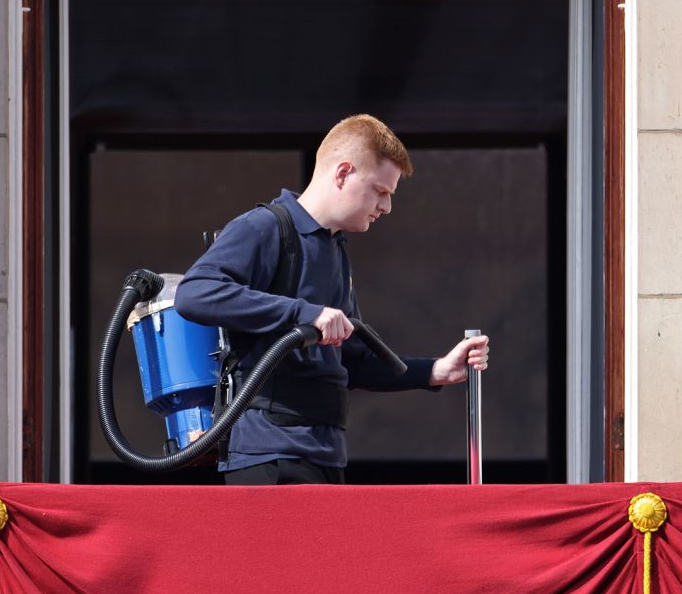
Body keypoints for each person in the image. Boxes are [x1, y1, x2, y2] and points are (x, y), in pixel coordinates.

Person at [174, 115, 490, 484]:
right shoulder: (266, 227)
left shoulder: (335, 250)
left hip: (325, 455)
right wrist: (305, 314)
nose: (386, 206)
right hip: (269, 456)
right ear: (342, 173)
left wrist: (434, 371)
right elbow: (194, 292)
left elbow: (352, 361)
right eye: (380, 191)